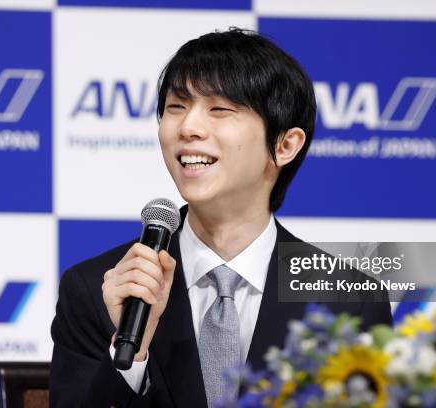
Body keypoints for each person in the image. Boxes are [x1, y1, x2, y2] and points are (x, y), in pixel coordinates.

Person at [49, 28, 392, 408]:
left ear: (285, 144)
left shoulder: (348, 302)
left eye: (219, 109)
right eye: (176, 107)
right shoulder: (102, 290)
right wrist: (132, 355)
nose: (188, 128)